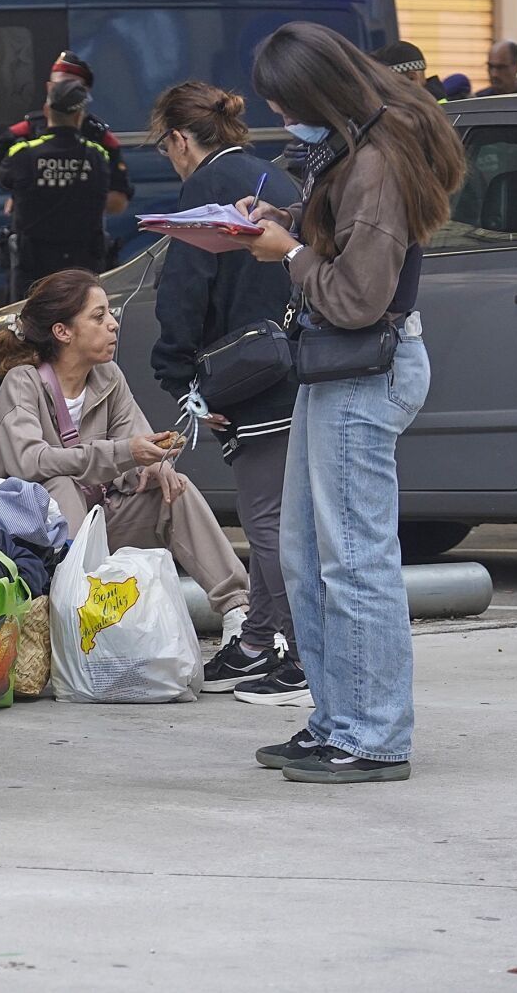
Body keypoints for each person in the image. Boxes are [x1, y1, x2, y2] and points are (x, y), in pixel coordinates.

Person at [238, 20, 465, 784]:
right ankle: (336, 718)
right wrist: (290, 225)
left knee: (355, 560)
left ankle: (372, 735)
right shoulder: (362, 141)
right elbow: (353, 253)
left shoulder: (375, 160)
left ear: (320, 94)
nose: (279, 120)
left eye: (283, 104)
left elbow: (358, 296)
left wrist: (291, 252)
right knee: (308, 553)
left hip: (364, 367)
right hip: (339, 372)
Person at [0, 270, 253, 660]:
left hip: (93, 524)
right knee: (57, 485)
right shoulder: (23, 383)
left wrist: (154, 467)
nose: (113, 323)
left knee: (174, 490)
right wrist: (126, 454)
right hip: (26, 539)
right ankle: (80, 622)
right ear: (63, 331)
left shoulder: (108, 377)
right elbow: (30, 462)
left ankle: (238, 615)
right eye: (98, 316)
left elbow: (134, 443)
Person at [146, 82, 308, 704]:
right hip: (297, 361)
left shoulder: (203, 189)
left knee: (267, 517)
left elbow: (185, 289)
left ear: (180, 140)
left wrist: (180, 374)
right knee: (277, 509)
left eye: (166, 147)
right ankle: (256, 639)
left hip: (245, 371)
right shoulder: (280, 180)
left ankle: (300, 651)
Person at [0, 76, 112, 299]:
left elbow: (5, 179)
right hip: (81, 275)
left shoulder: (22, 153)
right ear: (79, 116)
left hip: (33, 276)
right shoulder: (97, 156)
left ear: (46, 110)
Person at [0, 51, 133, 217]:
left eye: (71, 89)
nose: (63, 94)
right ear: (49, 88)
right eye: (58, 87)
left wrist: (64, 200)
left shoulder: (100, 142)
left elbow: (118, 201)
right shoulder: (25, 132)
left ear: (85, 94)